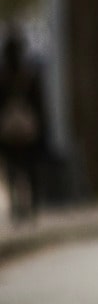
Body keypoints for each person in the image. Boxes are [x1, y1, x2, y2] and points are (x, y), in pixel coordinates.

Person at [0, 29, 48, 226]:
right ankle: (31, 206)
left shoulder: (3, 78)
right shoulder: (29, 75)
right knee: (29, 169)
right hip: (28, 131)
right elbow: (40, 105)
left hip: (8, 131)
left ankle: (18, 207)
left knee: (13, 169)